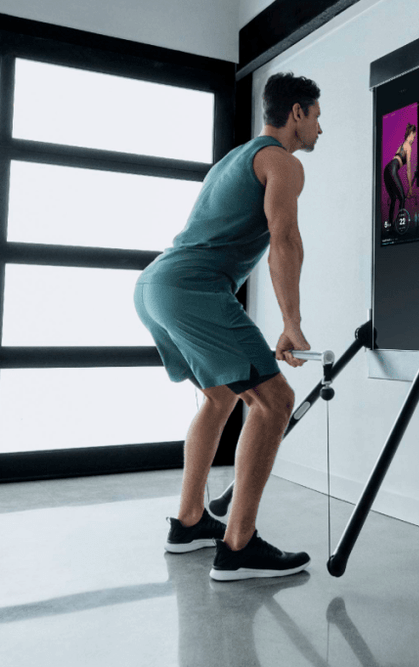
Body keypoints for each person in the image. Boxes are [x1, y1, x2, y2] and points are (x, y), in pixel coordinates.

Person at [133, 71, 323, 581]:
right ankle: (238, 547)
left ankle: (191, 522)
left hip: (155, 284)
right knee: (275, 400)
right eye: (318, 116)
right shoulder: (281, 162)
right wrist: (292, 324)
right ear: (297, 113)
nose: (320, 129)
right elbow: (284, 240)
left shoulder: (236, 157)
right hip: (192, 288)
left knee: (220, 397)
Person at [383, 123, 416, 225]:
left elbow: (395, 160)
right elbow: (408, 169)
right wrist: (410, 188)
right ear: (410, 134)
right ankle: (400, 225)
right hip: (392, 169)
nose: (414, 139)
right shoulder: (408, 147)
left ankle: (390, 224)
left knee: (393, 198)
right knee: (402, 198)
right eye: (414, 136)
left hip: (386, 170)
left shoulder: (401, 145)